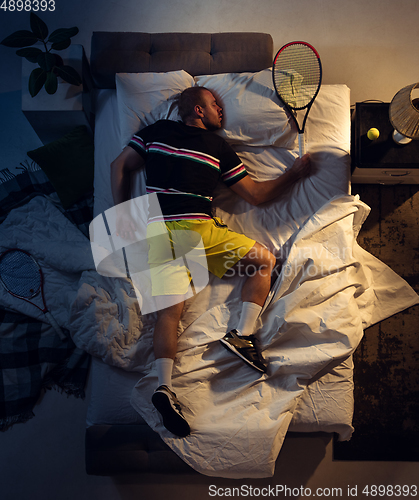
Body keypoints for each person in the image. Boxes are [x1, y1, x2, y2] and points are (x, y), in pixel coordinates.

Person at [110, 86, 311, 438]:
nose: (222, 110)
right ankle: (242, 335)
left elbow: (119, 166)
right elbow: (257, 196)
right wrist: (295, 173)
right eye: (215, 104)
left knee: (169, 315)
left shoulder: (154, 132)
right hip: (197, 228)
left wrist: (124, 215)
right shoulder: (217, 147)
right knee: (264, 261)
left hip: (157, 232)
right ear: (198, 111)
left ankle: (164, 387)